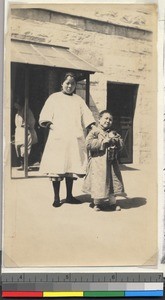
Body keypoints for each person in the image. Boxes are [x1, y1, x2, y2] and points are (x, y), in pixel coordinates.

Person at [39, 72, 95, 207]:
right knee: (57, 167)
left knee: (70, 167)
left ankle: (69, 196)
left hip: (73, 138)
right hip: (58, 137)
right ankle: (56, 198)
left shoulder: (78, 100)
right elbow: (45, 115)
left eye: (72, 84)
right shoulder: (54, 98)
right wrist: (51, 125)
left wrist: (92, 126)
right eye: (67, 83)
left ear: (75, 85)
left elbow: (86, 115)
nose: (69, 86)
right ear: (62, 84)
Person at [82, 110, 126, 211]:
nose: (108, 121)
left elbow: (121, 144)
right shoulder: (94, 132)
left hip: (111, 163)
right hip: (98, 163)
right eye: (106, 118)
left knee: (112, 182)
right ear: (99, 119)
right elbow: (88, 144)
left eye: (110, 119)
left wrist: (115, 140)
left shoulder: (113, 132)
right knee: (98, 182)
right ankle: (97, 203)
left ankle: (112, 203)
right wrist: (102, 141)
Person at [14, 101, 38, 170]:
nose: (15, 106)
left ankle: (26, 165)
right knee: (18, 147)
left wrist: (27, 126)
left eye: (16, 105)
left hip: (25, 131)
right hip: (19, 132)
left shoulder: (27, 110)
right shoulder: (18, 112)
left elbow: (31, 121)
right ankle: (22, 164)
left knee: (25, 148)